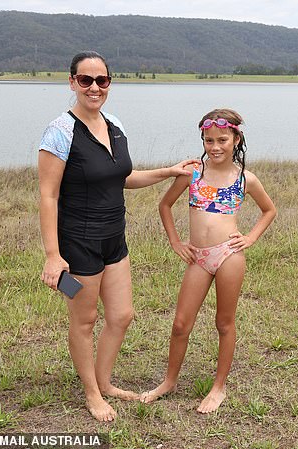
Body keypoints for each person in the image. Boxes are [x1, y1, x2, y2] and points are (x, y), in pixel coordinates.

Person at [38, 51, 196, 422]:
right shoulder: (60, 131)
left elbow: (121, 177)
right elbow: (48, 195)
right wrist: (52, 255)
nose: (94, 87)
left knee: (122, 316)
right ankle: (92, 393)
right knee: (85, 319)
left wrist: (168, 170)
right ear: (72, 82)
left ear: (110, 83)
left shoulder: (114, 125)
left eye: (102, 80)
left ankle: (105, 381)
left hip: (114, 239)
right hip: (78, 244)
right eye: (86, 80)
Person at [140, 108, 276, 413]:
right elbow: (165, 205)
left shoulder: (245, 178)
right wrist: (176, 241)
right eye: (208, 140)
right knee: (179, 324)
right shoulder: (193, 173)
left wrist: (250, 238)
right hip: (199, 258)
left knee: (224, 323)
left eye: (222, 140)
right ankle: (169, 382)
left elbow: (269, 210)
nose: (215, 146)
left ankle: (218, 388)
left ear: (236, 138)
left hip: (229, 256)